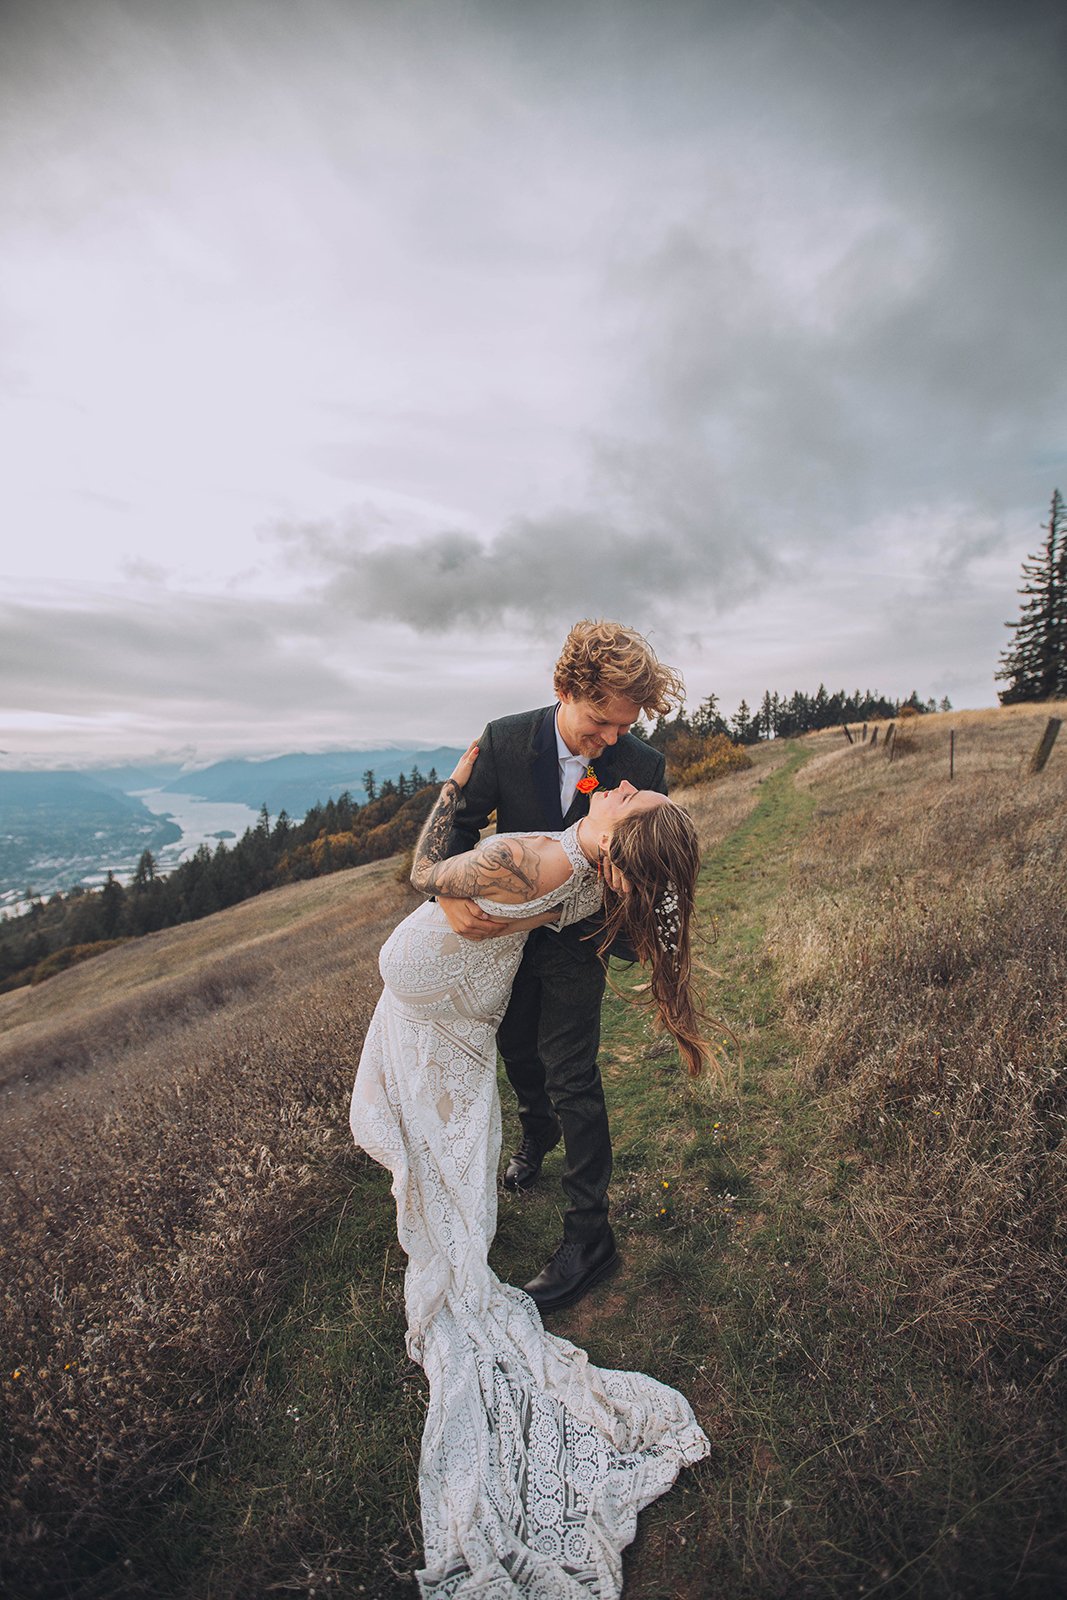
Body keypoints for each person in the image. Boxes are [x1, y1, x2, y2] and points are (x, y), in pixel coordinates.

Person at [349, 738, 713, 1597]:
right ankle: (454, 1216)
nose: (624, 784)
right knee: (446, 1161)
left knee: (439, 1165)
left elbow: (421, 873)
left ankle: (457, 1247)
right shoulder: (602, 874)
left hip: (433, 1006)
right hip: (461, 1003)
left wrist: (455, 784)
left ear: (615, 846)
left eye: (631, 799)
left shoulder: (534, 858)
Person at [436, 619, 685, 1313]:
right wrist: (451, 893)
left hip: (579, 938)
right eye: (599, 723)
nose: (610, 739)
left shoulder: (644, 767)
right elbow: (457, 827)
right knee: (516, 1049)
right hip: (501, 936)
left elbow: (648, 866)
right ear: (563, 688)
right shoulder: (505, 739)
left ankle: (589, 1236)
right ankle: (535, 1131)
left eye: (623, 726)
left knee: (572, 1073)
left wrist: (626, 910)